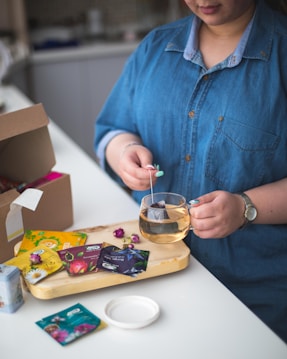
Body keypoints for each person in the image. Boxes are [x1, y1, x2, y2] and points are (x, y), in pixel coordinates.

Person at [94, 0, 287, 342]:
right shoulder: (155, 46)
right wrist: (124, 152)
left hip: (253, 296)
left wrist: (245, 208)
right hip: (149, 271)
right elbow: (114, 127)